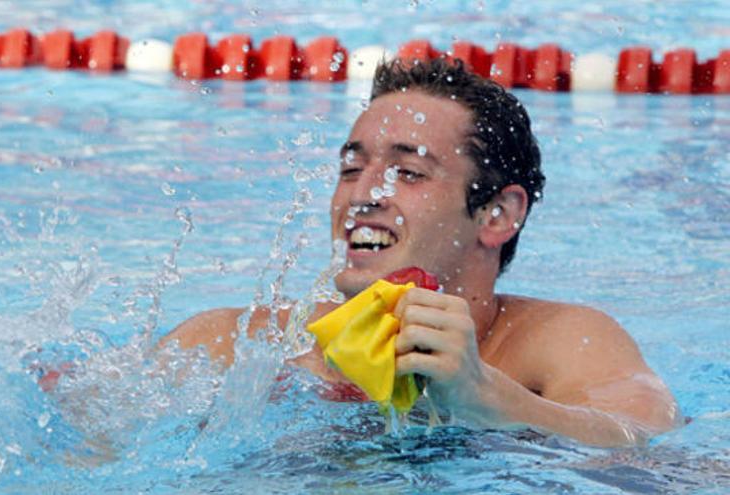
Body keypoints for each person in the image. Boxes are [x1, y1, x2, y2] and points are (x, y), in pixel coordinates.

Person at [166, 57, 680, 447]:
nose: (362, 195)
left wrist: (486, 398)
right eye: (351, 169)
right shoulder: (234, 346)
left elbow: (647, 437)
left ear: (497, 214)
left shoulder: (558, 343)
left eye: (408, 173)